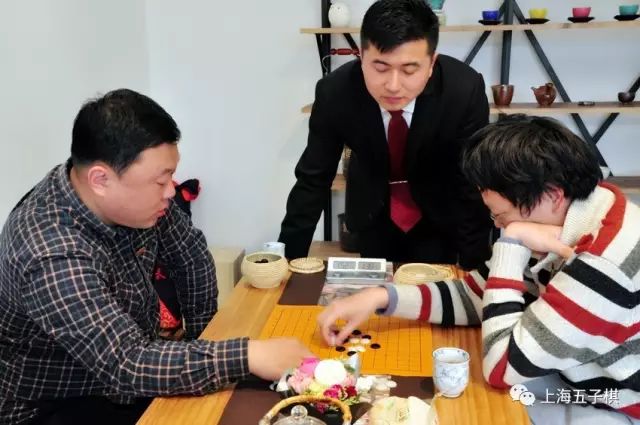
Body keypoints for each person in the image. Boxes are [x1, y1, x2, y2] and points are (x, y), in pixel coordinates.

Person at [0, 89, 312, 425]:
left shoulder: (130, 201)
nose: (170, 191)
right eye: (160, 181)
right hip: (55, 404)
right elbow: (126, 362)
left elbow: (190, 256)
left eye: (170, 176)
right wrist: (247, 355)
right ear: (100, 179)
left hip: (125, 377)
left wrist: (202, 340)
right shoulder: (49, 252)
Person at [317, 115, 640, 424]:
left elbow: (501, 367)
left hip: (614, 405)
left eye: (501, 215)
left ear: (552, 195)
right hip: (566, 377)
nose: (498, 225)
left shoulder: (603, 262)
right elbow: (477, 294)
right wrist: (379, 297)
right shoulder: (578, 213)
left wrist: (512, 242)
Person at [278, 0, 493, 269]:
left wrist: (476, 269)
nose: (393, 86)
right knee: (377, 289)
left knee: (437, 287)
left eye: (409, 70)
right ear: (361, 56)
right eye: (380, 67)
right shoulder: (335, 93)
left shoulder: (463, 90)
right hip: (373, 211)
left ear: (431, 63)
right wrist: (286, 263)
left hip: (440, 212)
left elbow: (472, 183)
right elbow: (313, 179)